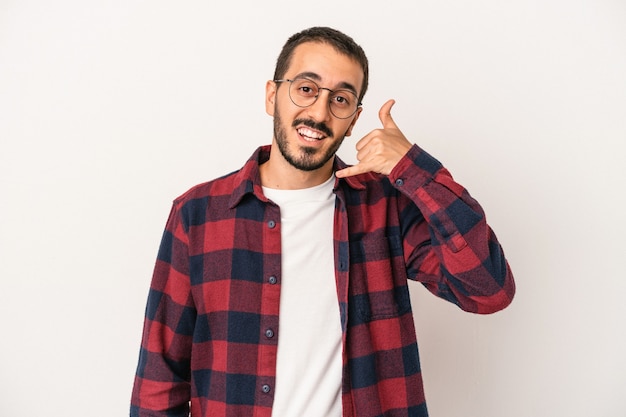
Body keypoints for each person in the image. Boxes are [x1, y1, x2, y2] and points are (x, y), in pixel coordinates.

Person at [130, 26, 515, 417]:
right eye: (306, 89)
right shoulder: (197, 215)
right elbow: (160, 380)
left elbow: (488, 291)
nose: (318, 112)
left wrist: (411, 168)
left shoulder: (386, 208)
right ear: (271, 95)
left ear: (353, 121)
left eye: (341, 99)